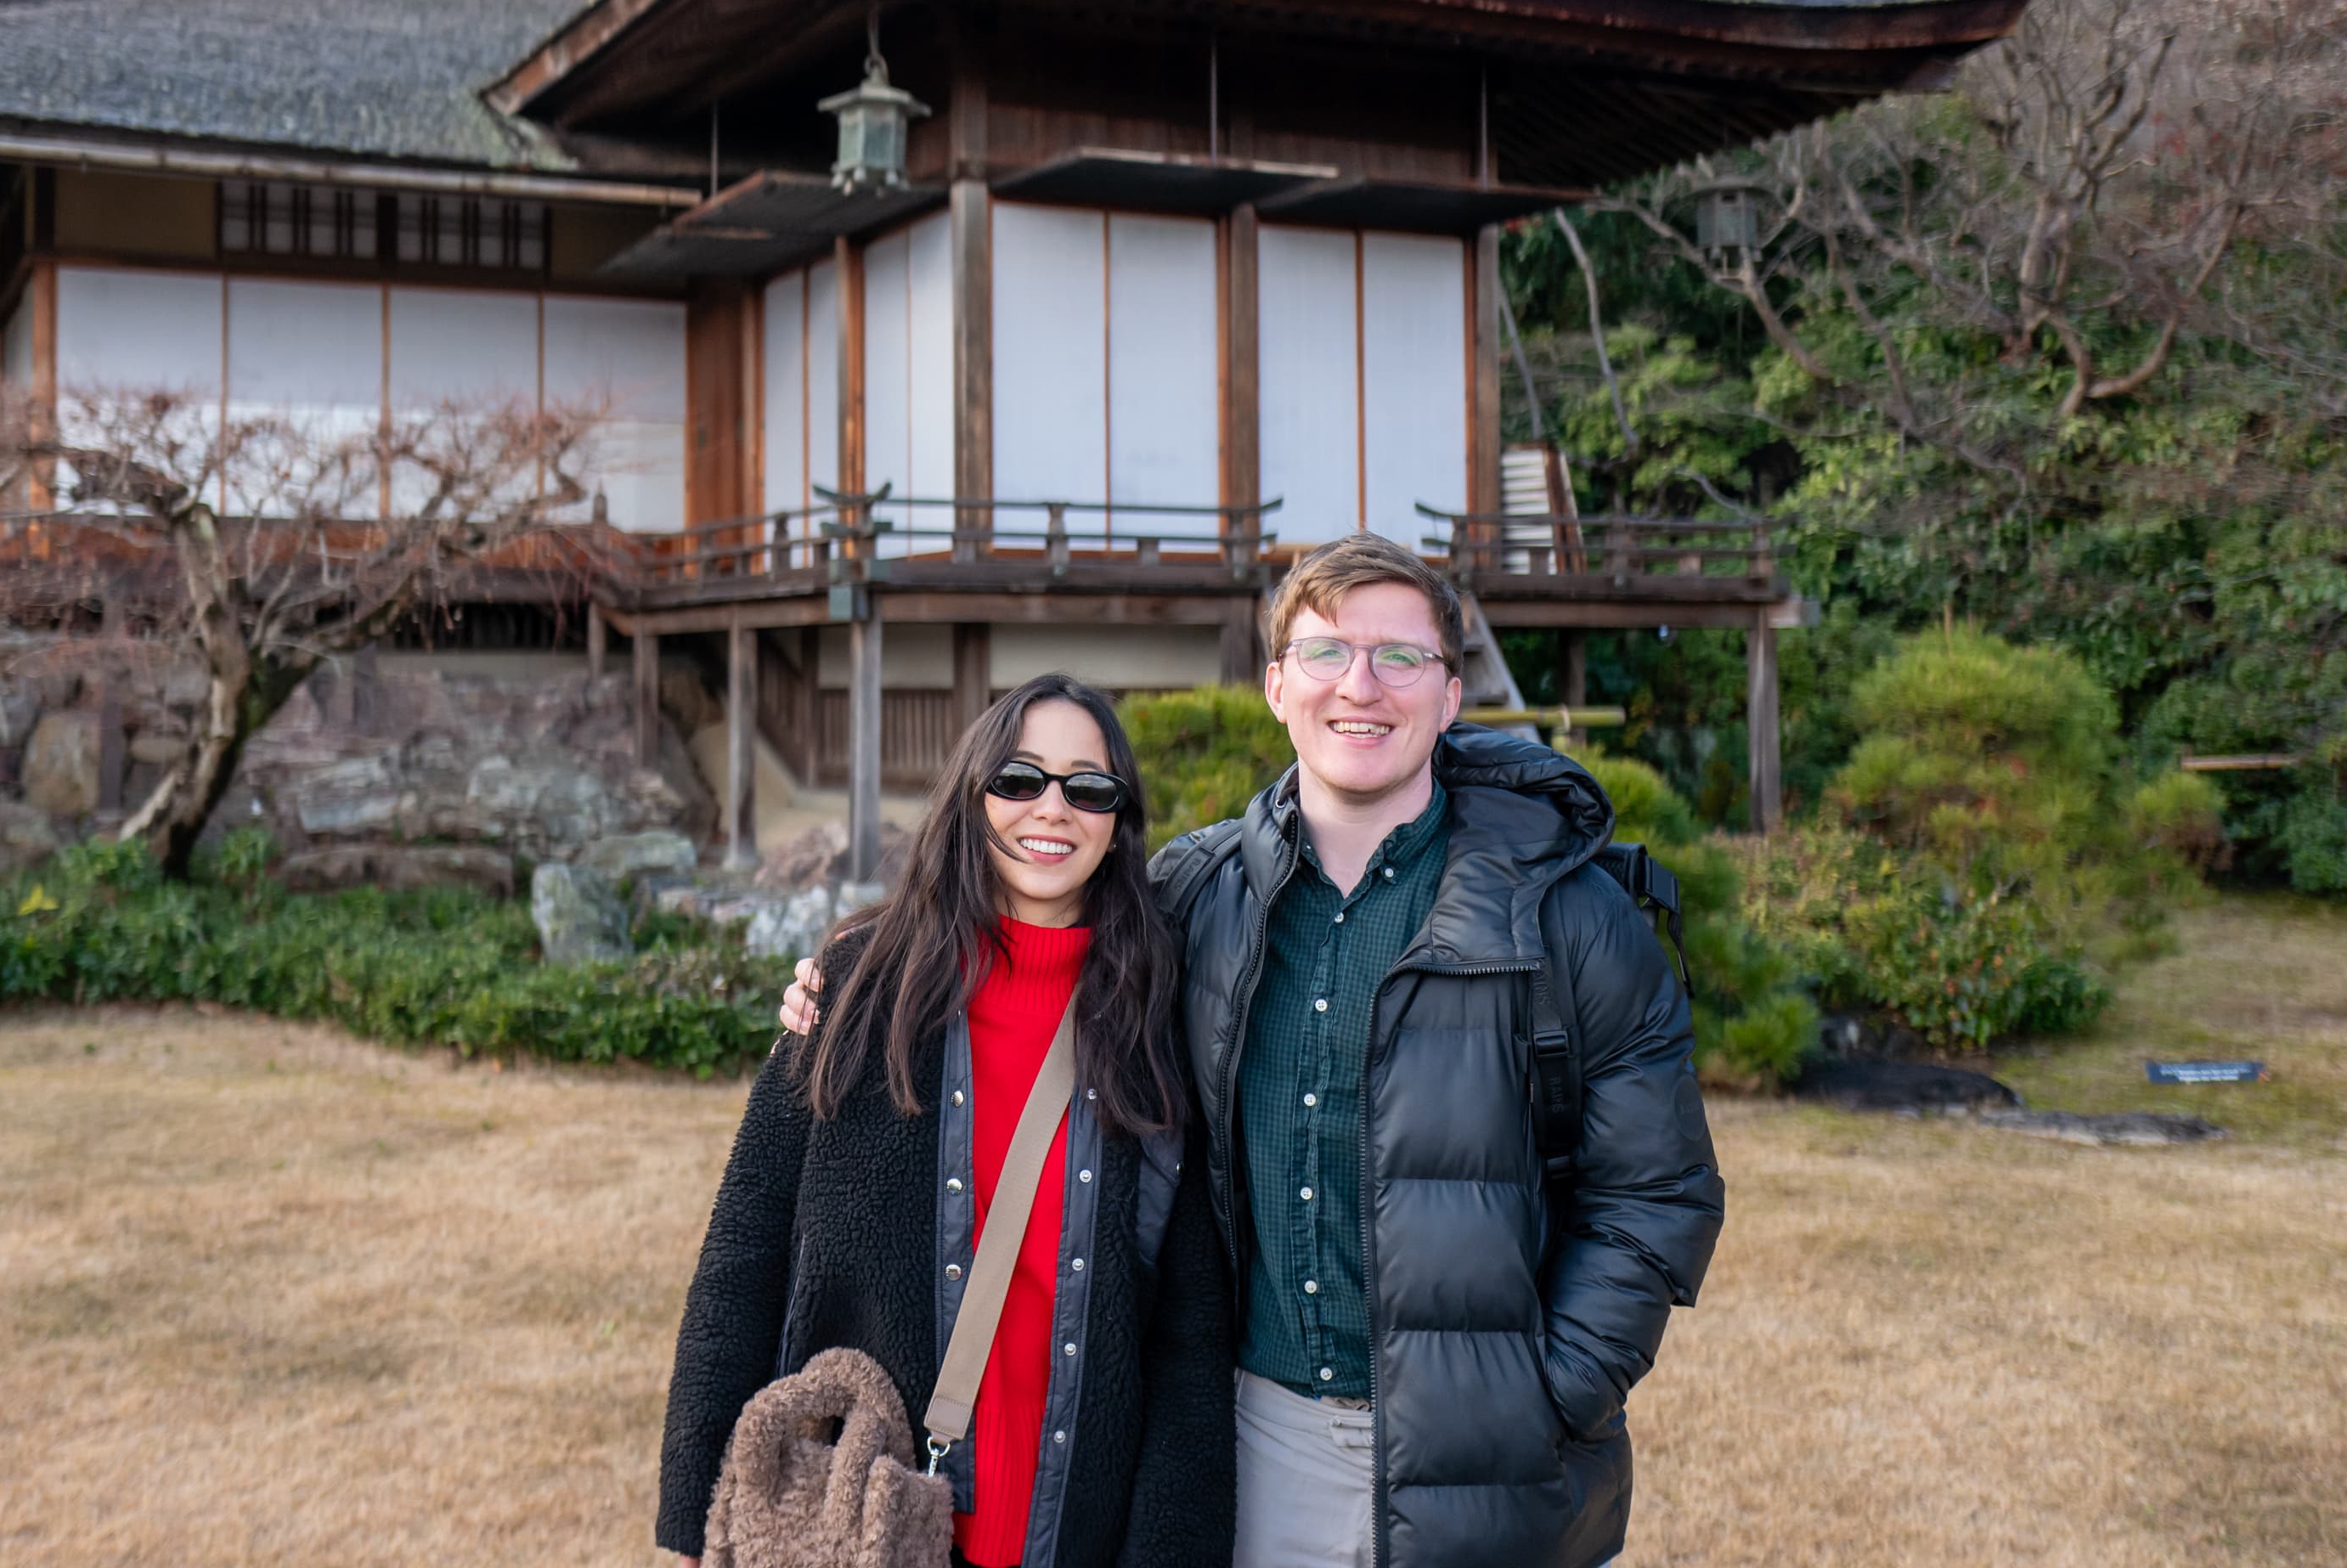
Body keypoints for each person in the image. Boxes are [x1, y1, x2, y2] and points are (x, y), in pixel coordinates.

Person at [784, 537, 1724, 1568]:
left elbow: (1659, 1193)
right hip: (1260, 1451)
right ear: (1277, 685)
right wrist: (856, 967)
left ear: (1451, 696)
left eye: (1399, 658)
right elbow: (1018, 925)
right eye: (1326, 653)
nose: (1360, 687)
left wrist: (1552, 1389)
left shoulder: (1570, 918)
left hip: (1499, 1467)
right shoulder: (1196, 898)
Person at [658, 674, 1237, 1568]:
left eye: (1088, 787)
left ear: (1120, 821)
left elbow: (1187, 1349)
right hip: (859, 1523)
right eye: (1019, 778)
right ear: (972, 794)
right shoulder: (859, 988)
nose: (1052, 808)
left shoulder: (1156, 1022)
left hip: (1068, 1538)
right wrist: (691, 1518)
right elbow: (743, 1251)